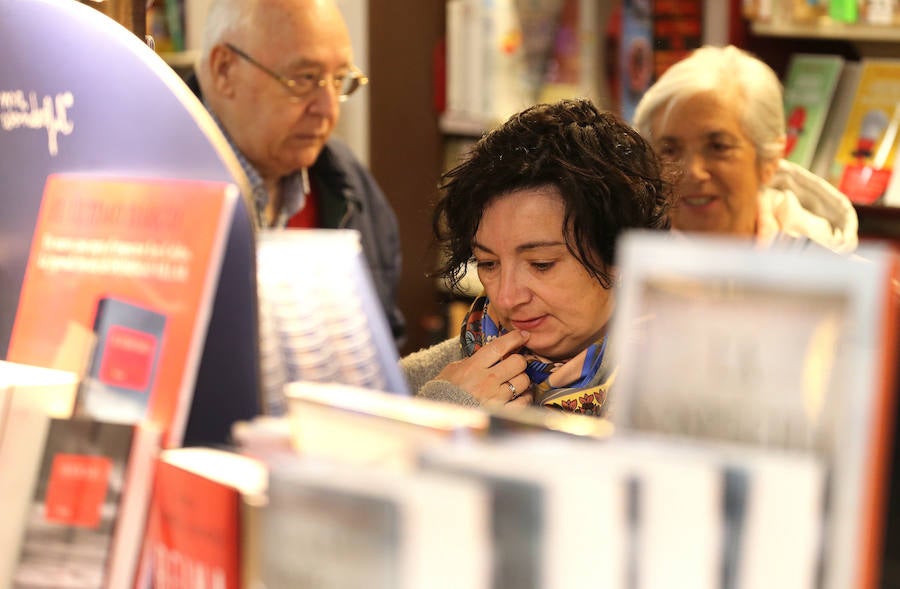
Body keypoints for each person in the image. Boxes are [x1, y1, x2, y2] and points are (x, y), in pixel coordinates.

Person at [401, 98, 672, 415]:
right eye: (488, 264)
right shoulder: (410, 385)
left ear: (620, 257)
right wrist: (441, 413)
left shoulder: (682, 389)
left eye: (541, 264)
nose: (506, 297)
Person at [191, 0, 406, 345]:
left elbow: (382, 345)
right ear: (224, 70)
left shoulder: (351, 187)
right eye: (304, 79)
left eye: (338, 81)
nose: (328, 109)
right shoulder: (152, 188)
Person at [632, 44, 858, 253]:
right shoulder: (615, 270)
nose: (693, 171)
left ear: (770, 159)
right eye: (669, 150)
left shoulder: (827, 269)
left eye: (718, 147)